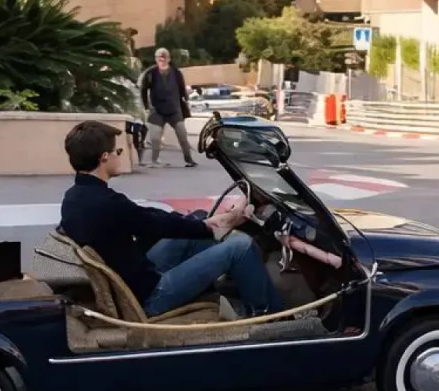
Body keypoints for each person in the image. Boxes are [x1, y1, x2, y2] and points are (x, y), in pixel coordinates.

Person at [59, 120, 282, 318]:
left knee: (197, 220)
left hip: (133, 279)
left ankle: (225, 289)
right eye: (117, 151)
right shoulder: (108, 203)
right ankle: (270, 315)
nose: (121, 155)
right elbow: (153, 224)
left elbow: (147, 218)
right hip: (150, 295)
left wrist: (204, 224)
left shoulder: (74, 197)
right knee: (240, 246)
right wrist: (213, 226)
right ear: (104, 157)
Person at [138, 48, 196, 168]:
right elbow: (143, 89)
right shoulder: (151, 73)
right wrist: (146, 106)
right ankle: (155, 160)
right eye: (160, 57)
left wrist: (186, 100)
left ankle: (189, 159)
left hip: (174, 109)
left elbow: (181, 88)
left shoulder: (176, 72)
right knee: (155, 138)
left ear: (169, 58)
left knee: (182, 135)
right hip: (157, 110)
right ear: (156, 59)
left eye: (164, 57)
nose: (162, 59)